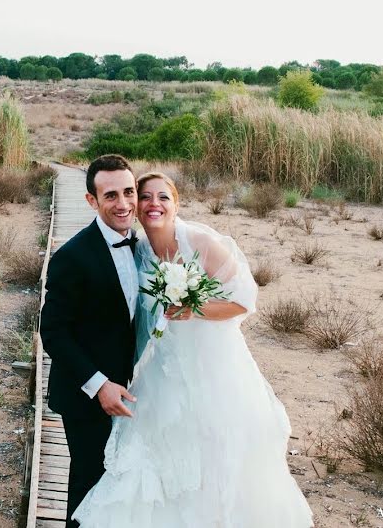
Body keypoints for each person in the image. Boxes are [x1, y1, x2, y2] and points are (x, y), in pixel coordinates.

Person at [72, 171, 314, 527]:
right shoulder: (137, 249)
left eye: (163, 197)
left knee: (213, 453)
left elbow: (244, 301)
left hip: (209, 365)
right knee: (155, 454)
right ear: (136, 206)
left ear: (176, 203)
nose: (154, 204)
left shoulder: (199, 241)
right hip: (161, 368)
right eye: (146, 197)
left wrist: (193, 308)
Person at [39, 154, 141, 528]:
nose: (123, 203)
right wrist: (99, 386)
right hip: (86, 396)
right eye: (111, 195)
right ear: (91, 201)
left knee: (126, 479)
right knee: (89, 485)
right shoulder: (72, 257)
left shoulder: (143, 248)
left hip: (135, 390)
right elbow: (52, 332)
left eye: (128, 192)